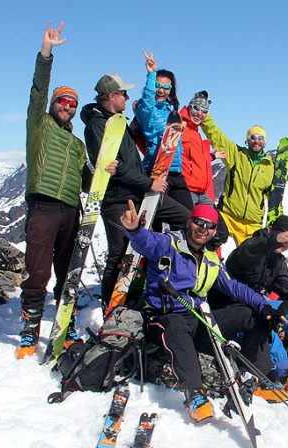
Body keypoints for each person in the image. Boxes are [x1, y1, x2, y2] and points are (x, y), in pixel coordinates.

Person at [119, 202, 282, 423]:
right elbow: (147, 243)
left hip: (197, 319)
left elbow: (234, 287)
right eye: (198, 222)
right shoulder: (169, 243)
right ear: (189, 222)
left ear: (214, 231)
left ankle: (257, 377)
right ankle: (193, 392)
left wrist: (264, 307)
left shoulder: (211, 258)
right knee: (176, 326)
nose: (202, 228)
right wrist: (135, 230)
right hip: (163, 319)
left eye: (209, 225)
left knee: (251, 315)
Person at [81, 72, 191, 307]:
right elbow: (112, 166)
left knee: (187, 220)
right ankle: (112, 309)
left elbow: (125, 162)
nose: (126, 97)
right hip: (118, 199)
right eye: (123, 93)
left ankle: (166, 282)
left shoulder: (118, 122)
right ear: (111, 96)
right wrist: (149, 183)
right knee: (120, 254)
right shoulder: (97, 125)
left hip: (140, 194)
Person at [18, 21, 88, 359]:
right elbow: (37, 92)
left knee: (66, 270)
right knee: (38, 269)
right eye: (63, 101)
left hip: (70, 210)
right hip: (44, 206)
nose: (67, 106)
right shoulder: (40, 125)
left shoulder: (77, 144)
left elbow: (87, 179)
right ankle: (31, 326)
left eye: (72, 104)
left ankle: (66, 322)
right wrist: (46, 53)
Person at [213, 215, 288, 403]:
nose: (285, 244)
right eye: (282, 236)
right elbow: (251, 251)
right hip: (232, 311)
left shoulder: (277, 261)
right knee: (266, 319)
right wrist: (272, 242)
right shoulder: (250, 248)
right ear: (270, 231)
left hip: (257, 304)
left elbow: (287, 288)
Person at [200, 113, 277, 245]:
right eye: (252, 137)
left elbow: (274, 197)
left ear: (265, 142)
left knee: (247, 261)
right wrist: (204, 116)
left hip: (252, 224)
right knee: (209, 243)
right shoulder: (236, 154)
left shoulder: (270, 166)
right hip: (227, 215)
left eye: (260, 138)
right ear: (247, 140)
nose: (256, 141)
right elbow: (217, 136)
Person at [135, 51, 193, 212]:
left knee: (188, 217)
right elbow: (147, 103)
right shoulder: (147, 110)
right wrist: (151, 75)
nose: (161, 90)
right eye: (158, 86)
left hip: (175, 171)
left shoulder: (170, 112)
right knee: (154, 218)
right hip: (156, 170)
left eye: (166, 87)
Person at [178, 91, 225, 207]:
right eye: (196, 108)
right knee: (188, 223)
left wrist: (213, 156)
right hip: (188, 190)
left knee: (215, 222)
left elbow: (195, 158)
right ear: (189, 107)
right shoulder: (180, 128)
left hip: (201, 192)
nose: (200, 113)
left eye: (204, 111)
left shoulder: (196, 133)